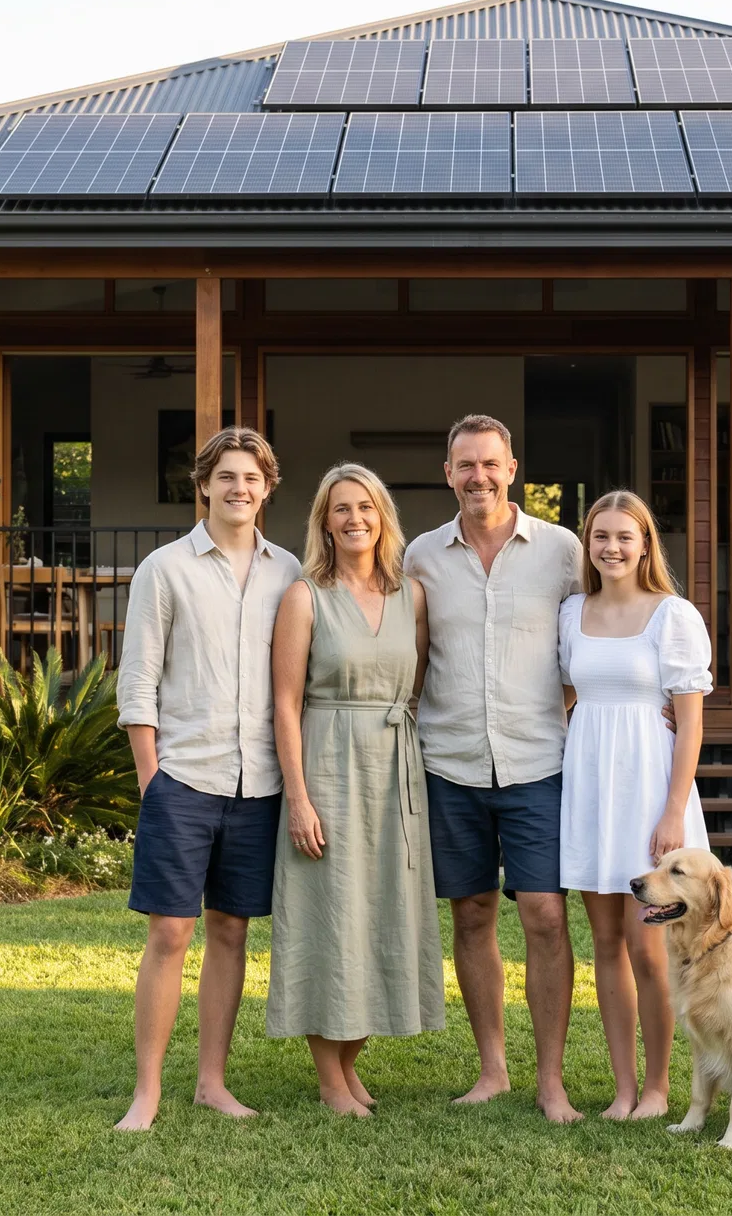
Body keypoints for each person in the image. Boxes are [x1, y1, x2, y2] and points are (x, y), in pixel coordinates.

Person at [113, 425, 302, 1132]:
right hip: (184, 779)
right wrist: (151, 780)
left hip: (260, 785)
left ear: (268, 487)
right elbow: (139, 682)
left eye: (251, 477)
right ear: (204, 485)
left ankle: (212, 1083)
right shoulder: (166, 569)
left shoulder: (289, 572)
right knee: (170, 932)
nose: (239, 488)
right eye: (226, 476)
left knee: (231, 931)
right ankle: (148, 1091)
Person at [404, 414, 586, 1123]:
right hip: (448, 762)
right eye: (464, 465)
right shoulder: (420, 555)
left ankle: (551, 1079)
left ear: (513, 468)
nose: (478, 476)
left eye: (490, 464)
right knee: (472, 913)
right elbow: (412, 656)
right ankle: (492, 1069)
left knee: (544, 915)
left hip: (538, 760)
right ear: (447, 473)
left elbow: (593, 637)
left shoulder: (564, 551)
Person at [268, 463, 444, 1116]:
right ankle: (328, 1078)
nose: (354, 520)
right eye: (340, 509)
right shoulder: (303, 597)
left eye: (365, 507)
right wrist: (299, 798)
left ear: (382, 517)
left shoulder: (413, 596)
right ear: (324, 522)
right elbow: (285, 703)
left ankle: (349, 1064)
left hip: (395, 768)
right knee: (327, 916)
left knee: (382, 915)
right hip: (328, 764)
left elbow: (419, 678)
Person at [558, 490, 712, 1121]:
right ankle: (622, 1089)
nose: (612, 547)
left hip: (651, 788)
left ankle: (656, 1089)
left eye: (625, 536)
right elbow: (568, 692)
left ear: (646, 544)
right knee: (605, 942)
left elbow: (692, 723)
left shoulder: (672, 615)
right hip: (592, 784)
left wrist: (673, 810)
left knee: (647, 945)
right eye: (600, 537)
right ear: (587, 545)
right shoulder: (573, 611)